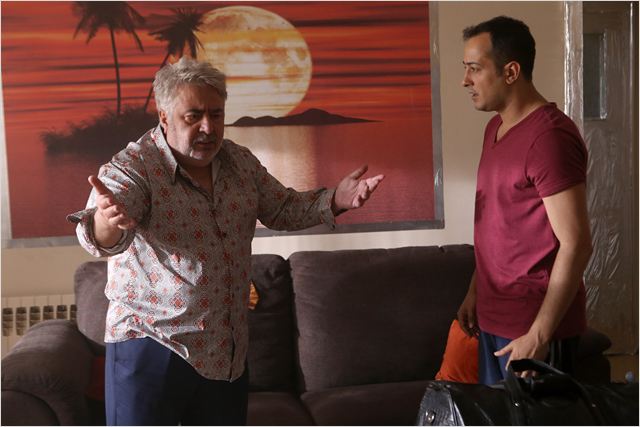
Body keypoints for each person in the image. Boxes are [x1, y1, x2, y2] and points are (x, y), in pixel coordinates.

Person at [68, 56, 384, 426]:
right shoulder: (134, 166)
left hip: (224, 352)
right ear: (164, 116)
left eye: (216, 114)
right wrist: (106, 222)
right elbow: (100, 234)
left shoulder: (240, 163)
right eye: (194, 116)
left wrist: (335, 200)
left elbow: (282, 209)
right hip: (152, 345)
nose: (208, 127)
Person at [456, 16, 593, 385]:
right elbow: (500, 226)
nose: (465, 80)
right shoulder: (495, 128)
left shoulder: (550, 138)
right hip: (492, 321)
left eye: (474, 68)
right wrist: (475, 291)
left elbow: (577, 244)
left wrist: (539, 336)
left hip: (532, 331)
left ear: (511, 72)